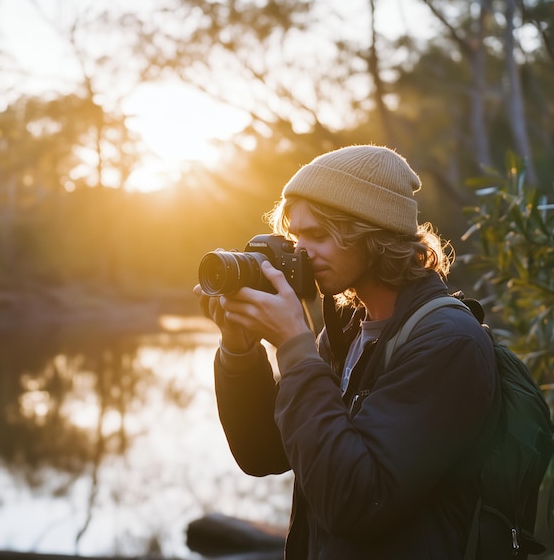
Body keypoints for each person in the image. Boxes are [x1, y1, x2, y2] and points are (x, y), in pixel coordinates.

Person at [194, 144, 498, 559]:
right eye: (295, 235)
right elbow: (263, 453)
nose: (300, 251)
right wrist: (239, 350)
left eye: (318, 235)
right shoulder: (347, 332)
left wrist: (294, 346)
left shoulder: (448, 342)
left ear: (373, 235)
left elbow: (356, 502)